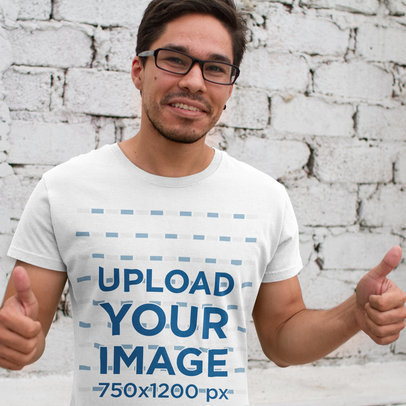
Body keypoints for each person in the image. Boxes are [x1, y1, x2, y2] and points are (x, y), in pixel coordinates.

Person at [0, 0, 405, 404]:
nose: (195, 81)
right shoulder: (64, 190)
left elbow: (282, 338)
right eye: (175, 59)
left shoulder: (265, 200)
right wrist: (16, 343)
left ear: (229, 87)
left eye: (215, 68)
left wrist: (355, 314)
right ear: (138, 71)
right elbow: (25, 335)